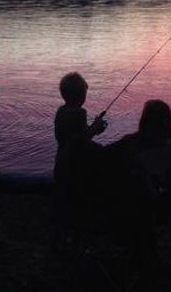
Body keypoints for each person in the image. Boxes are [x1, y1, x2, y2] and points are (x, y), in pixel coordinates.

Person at [106, 99, 171, 266]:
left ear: (143, 120)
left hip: (119, 210)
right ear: (168, 123)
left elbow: (104, 158)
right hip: (147, 212)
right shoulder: (170, 149)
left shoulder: (127, 142)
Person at [52, 71, 107, 233]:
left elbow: (72, 136)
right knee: (78, 192)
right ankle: (77, 224)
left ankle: (61, 219)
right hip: (76, 162)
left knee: (63, 192)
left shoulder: (60, 111)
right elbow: (82, 141)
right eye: (85, 93)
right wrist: (96, 129)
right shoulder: (80, 113)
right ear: (81, 96)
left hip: (61, 158)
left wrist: (91, 128)